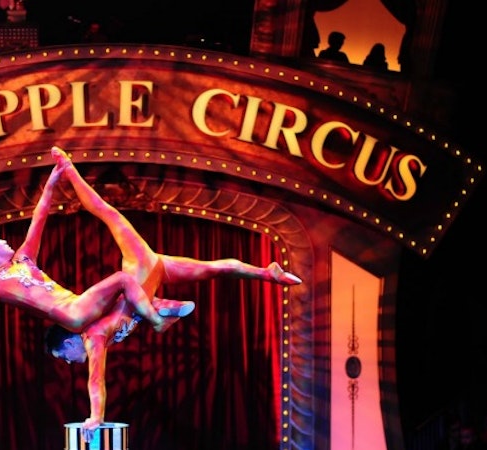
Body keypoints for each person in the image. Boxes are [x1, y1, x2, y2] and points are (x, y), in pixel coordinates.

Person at [44, 146, 303, 439]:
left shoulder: (93, 337)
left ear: (67, 341)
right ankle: (267, 274)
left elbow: (96, 380)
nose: (67, 362)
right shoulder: (101, 331)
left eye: (63, 356)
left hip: (138, 266)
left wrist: (95, 417)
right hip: (156, 274)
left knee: (107, 212)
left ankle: (69, 168)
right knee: (214, 269)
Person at [0, 155, 194, 334]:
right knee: (123, 279)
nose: (3, 239)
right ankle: (156, 319)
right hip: (71, 313)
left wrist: (52, 182)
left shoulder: (24, 259)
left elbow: (38, 218)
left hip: (79, 305)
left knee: (126, 294)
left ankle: (159, 309)